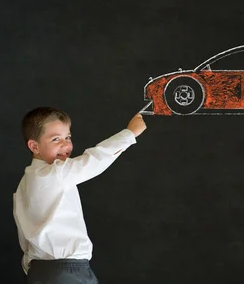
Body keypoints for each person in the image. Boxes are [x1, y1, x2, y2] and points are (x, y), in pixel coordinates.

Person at [13, 106, 147, 284]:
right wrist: (129, 134)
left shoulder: (24, 184)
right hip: (65, 271)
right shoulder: (53, 174)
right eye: (56, 139)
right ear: (34, 146)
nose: (65, 145)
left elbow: (25, 237)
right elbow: (93, 161)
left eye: (68, 137)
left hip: (42, 271)